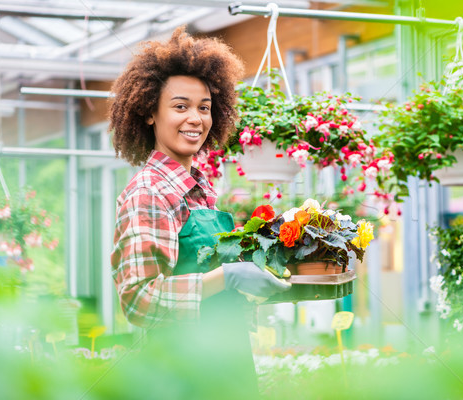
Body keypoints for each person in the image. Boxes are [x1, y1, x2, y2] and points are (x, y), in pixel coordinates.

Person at [108, 27, 290, 398]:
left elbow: (208, 274)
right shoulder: (149, 192)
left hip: (228, 365)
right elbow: (139, 300)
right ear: (148, 113)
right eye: (180, 106)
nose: (196, 118)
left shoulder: (201, 188)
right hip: (181, 376)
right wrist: (228, 277)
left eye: (204, 108)